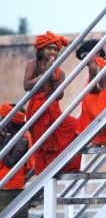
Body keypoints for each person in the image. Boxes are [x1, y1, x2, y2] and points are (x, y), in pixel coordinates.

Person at [23, 31, 81, 174]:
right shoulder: (32, 64)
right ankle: (44, 174)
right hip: (37, 110)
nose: (53, 52)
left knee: (75, 126)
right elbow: (26, 85)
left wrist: (53, 75)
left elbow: (59, 95)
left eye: (55, 49)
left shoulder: (60, 72)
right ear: (41, 49)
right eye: (49, 48)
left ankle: (66, 166)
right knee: (42, 144)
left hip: (54, 110)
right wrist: (45, 74)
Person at [0, 103, 35, 189]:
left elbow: (10, 163)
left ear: (10, 123)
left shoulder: (22, 140)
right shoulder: (7, 136)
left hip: (11, 185)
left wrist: (2, 142)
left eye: (2, 119)